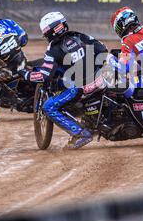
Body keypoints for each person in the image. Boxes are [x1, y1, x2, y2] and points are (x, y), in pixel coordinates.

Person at [18, 12, 108, 149]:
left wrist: (25, 75)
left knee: (48, 106)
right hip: (100, 78)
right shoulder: (80, 36)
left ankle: (81, 133)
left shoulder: (53, 49)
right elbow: (102, 49)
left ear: (49, 33)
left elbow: (44, 76)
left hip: (79, 87)